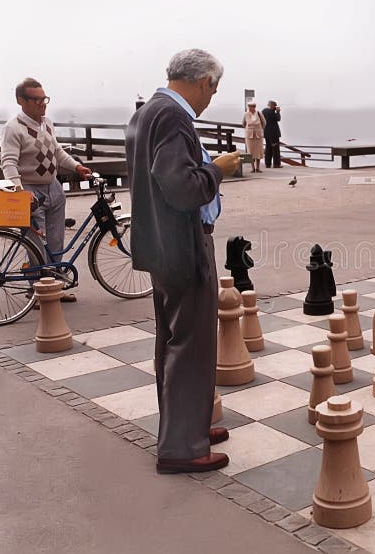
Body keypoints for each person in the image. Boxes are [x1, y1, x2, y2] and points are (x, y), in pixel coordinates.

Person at [125, 49, 241, 474]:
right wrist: (219, 170)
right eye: (213, 87)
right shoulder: (173, 117)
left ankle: (185, 426)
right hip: (182, 245)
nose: (211, 96)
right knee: (191, 345)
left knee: (173, 341)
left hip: (159, 246)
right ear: (202, 81)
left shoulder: (146, 113)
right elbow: (181, 187)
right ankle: (182, 448)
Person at [0, 78, 92, 301]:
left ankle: (55, 289)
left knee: (55, 242)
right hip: (31, 190)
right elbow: (8, 163)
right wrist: (20, 191)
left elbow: (57, 152)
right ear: (21, 100)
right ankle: (37, 293)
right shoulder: (13, 128)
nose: (43, 104)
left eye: (44, 99)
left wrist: (76, 166)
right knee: (36, 245)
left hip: (54, 187)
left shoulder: (47, 123)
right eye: (37, 100)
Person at [242, 100, 266, 172]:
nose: (249, 108)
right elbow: (243, 123)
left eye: (251, 106)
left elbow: (264, 123)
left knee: (258, 152)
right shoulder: (246, 114)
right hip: (249, 136)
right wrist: (248, 129)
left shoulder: (259, 113)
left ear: (254, 107)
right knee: (251, 152)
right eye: (249, 106)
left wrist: (260, 130)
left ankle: (258, 168)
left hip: (258, 135)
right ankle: (252, 168)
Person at [261, 100, 282, 168]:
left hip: (266, 132)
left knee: (268, 148)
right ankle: (276, 164)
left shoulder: (264, 111)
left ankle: (268, 164)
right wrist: (278, 112)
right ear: (272, 105)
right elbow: (278, 119)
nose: (275, 107)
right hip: (274, 133)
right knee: (275, 149)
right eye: (275, 106)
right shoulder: (272, 112)